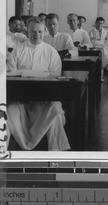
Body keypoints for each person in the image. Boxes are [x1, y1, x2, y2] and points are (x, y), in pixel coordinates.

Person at [6, 16, 70, 151]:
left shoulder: (51, 52)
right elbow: (10, 75)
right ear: (27, 32)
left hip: (45, 100)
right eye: (33, 32)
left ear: (44, 31)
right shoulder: (18, 50)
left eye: (40, 31)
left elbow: (55, 77)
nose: (37, 35)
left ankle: (57, 153)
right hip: (20, 100)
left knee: (55, 110)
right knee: (7, 111)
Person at [89, 17, 108, 81]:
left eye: (101, 23)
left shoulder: (106, 32)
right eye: (98, 23)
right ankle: (107, 66)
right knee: (103, 50)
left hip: (103, 49)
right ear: (96, 23)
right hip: (94, 49)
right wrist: (102, 43)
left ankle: (101, 77)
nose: (100, 25)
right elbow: (92, 43)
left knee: (102, 53)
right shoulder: (91, 32)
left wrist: (99, 43)